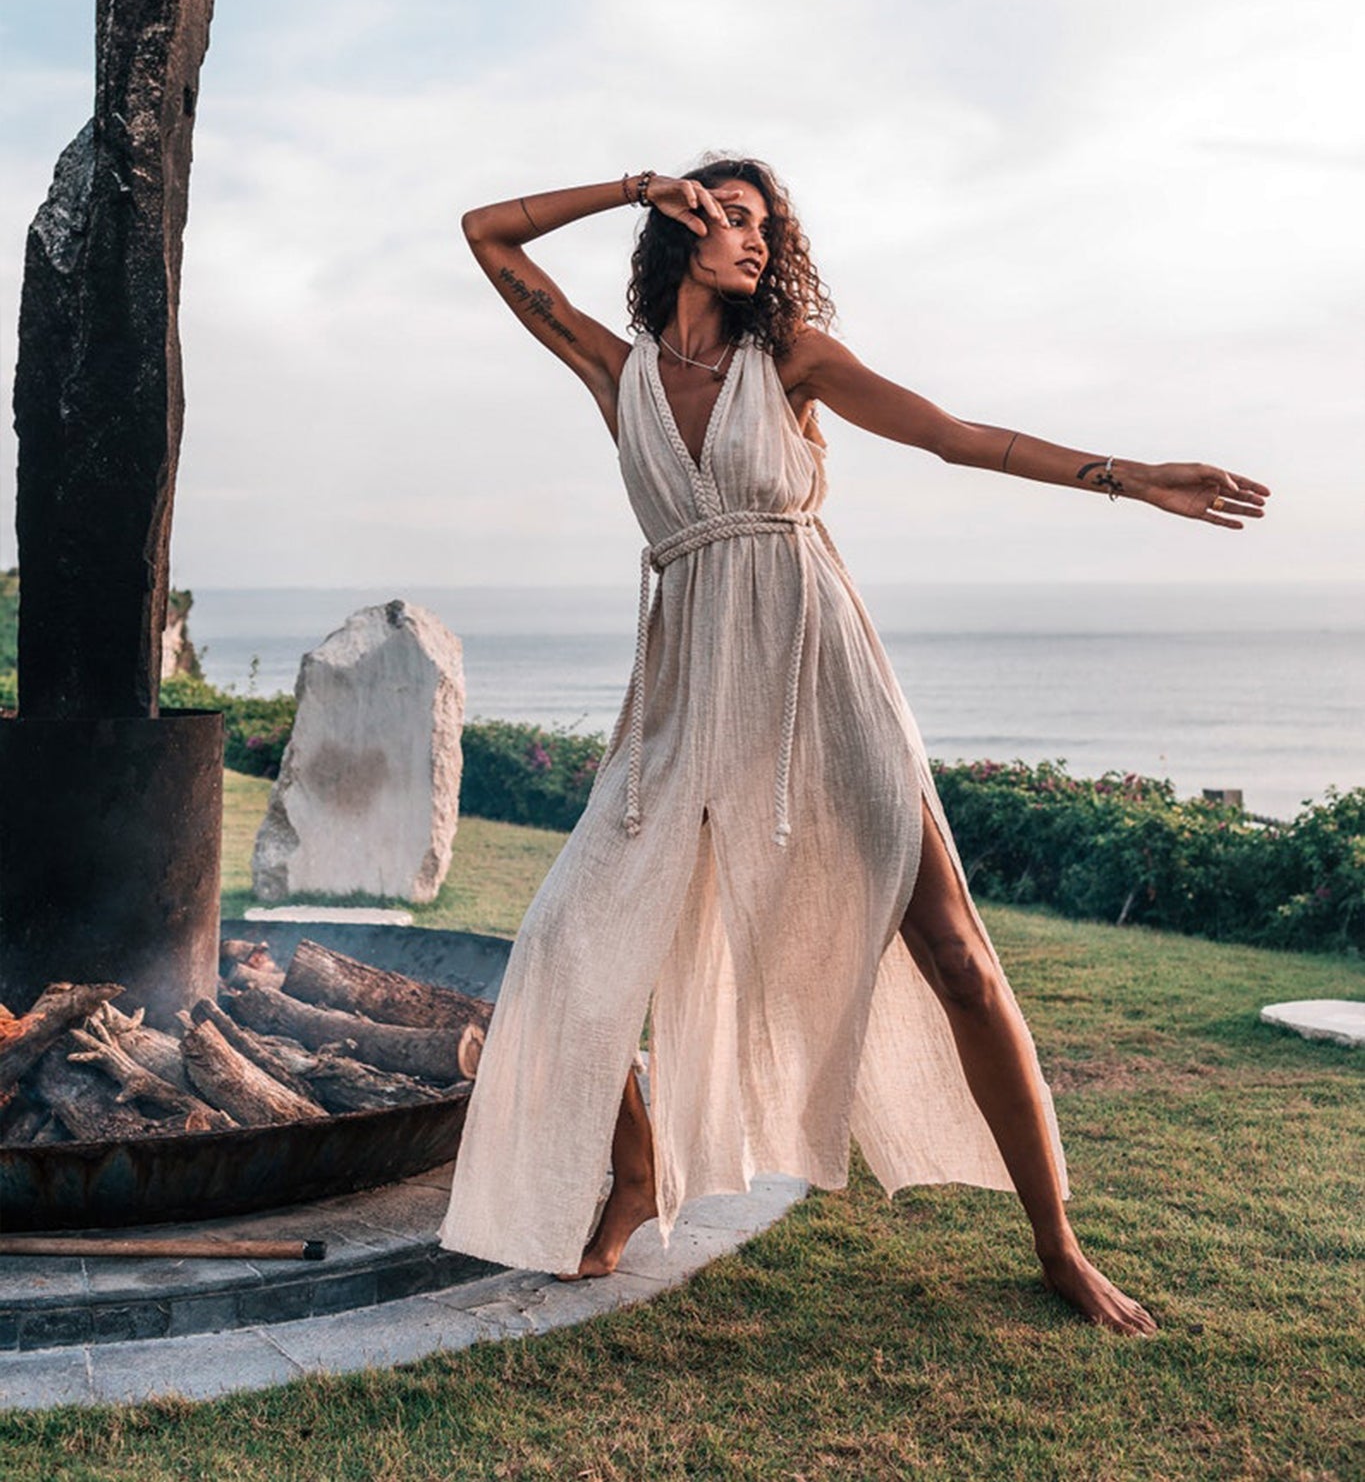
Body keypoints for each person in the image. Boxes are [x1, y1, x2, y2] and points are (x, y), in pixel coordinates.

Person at [440, 157, 1268, 1336]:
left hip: (821, 678)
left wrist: (1127, 476)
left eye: (765, 226)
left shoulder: (792, 363)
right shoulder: (614, 370)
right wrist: (631, 182)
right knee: (567, 949)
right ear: (677, 227)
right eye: (727, 217)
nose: (752, 240)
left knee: (958, 956)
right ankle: (637, 1170)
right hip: (683, 701)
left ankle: (1059, 1241)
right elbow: (486, 235)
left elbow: (956, 436)